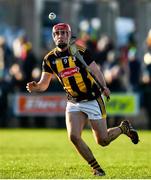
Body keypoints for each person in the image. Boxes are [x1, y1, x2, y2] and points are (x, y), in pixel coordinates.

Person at [26, 23, 139, 176]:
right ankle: (97, 168)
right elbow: (43, 84)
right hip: (73, 102)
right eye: (57, 33)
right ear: (53, 37)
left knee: (103, 141)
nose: (60, 35)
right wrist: (36, 87)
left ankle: (123, 128)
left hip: (93, 99)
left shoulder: (81, 52)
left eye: (64, 33)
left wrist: (104, 86)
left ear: (69, 35)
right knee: (73, 136)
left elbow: (96, 71)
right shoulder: (49, 59)